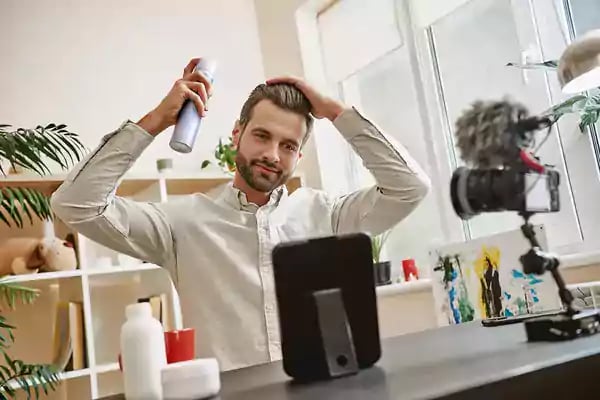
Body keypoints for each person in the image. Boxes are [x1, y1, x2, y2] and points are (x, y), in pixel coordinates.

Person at [51, 57, 431, 371]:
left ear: (299, 156)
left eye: (288, 145)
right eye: (262, 136)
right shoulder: (179, 224)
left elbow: (409, 187)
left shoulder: (328, 215)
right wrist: (155, 121)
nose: (272, 155)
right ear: (237, 134)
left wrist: (335, 112)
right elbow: (75, 203)